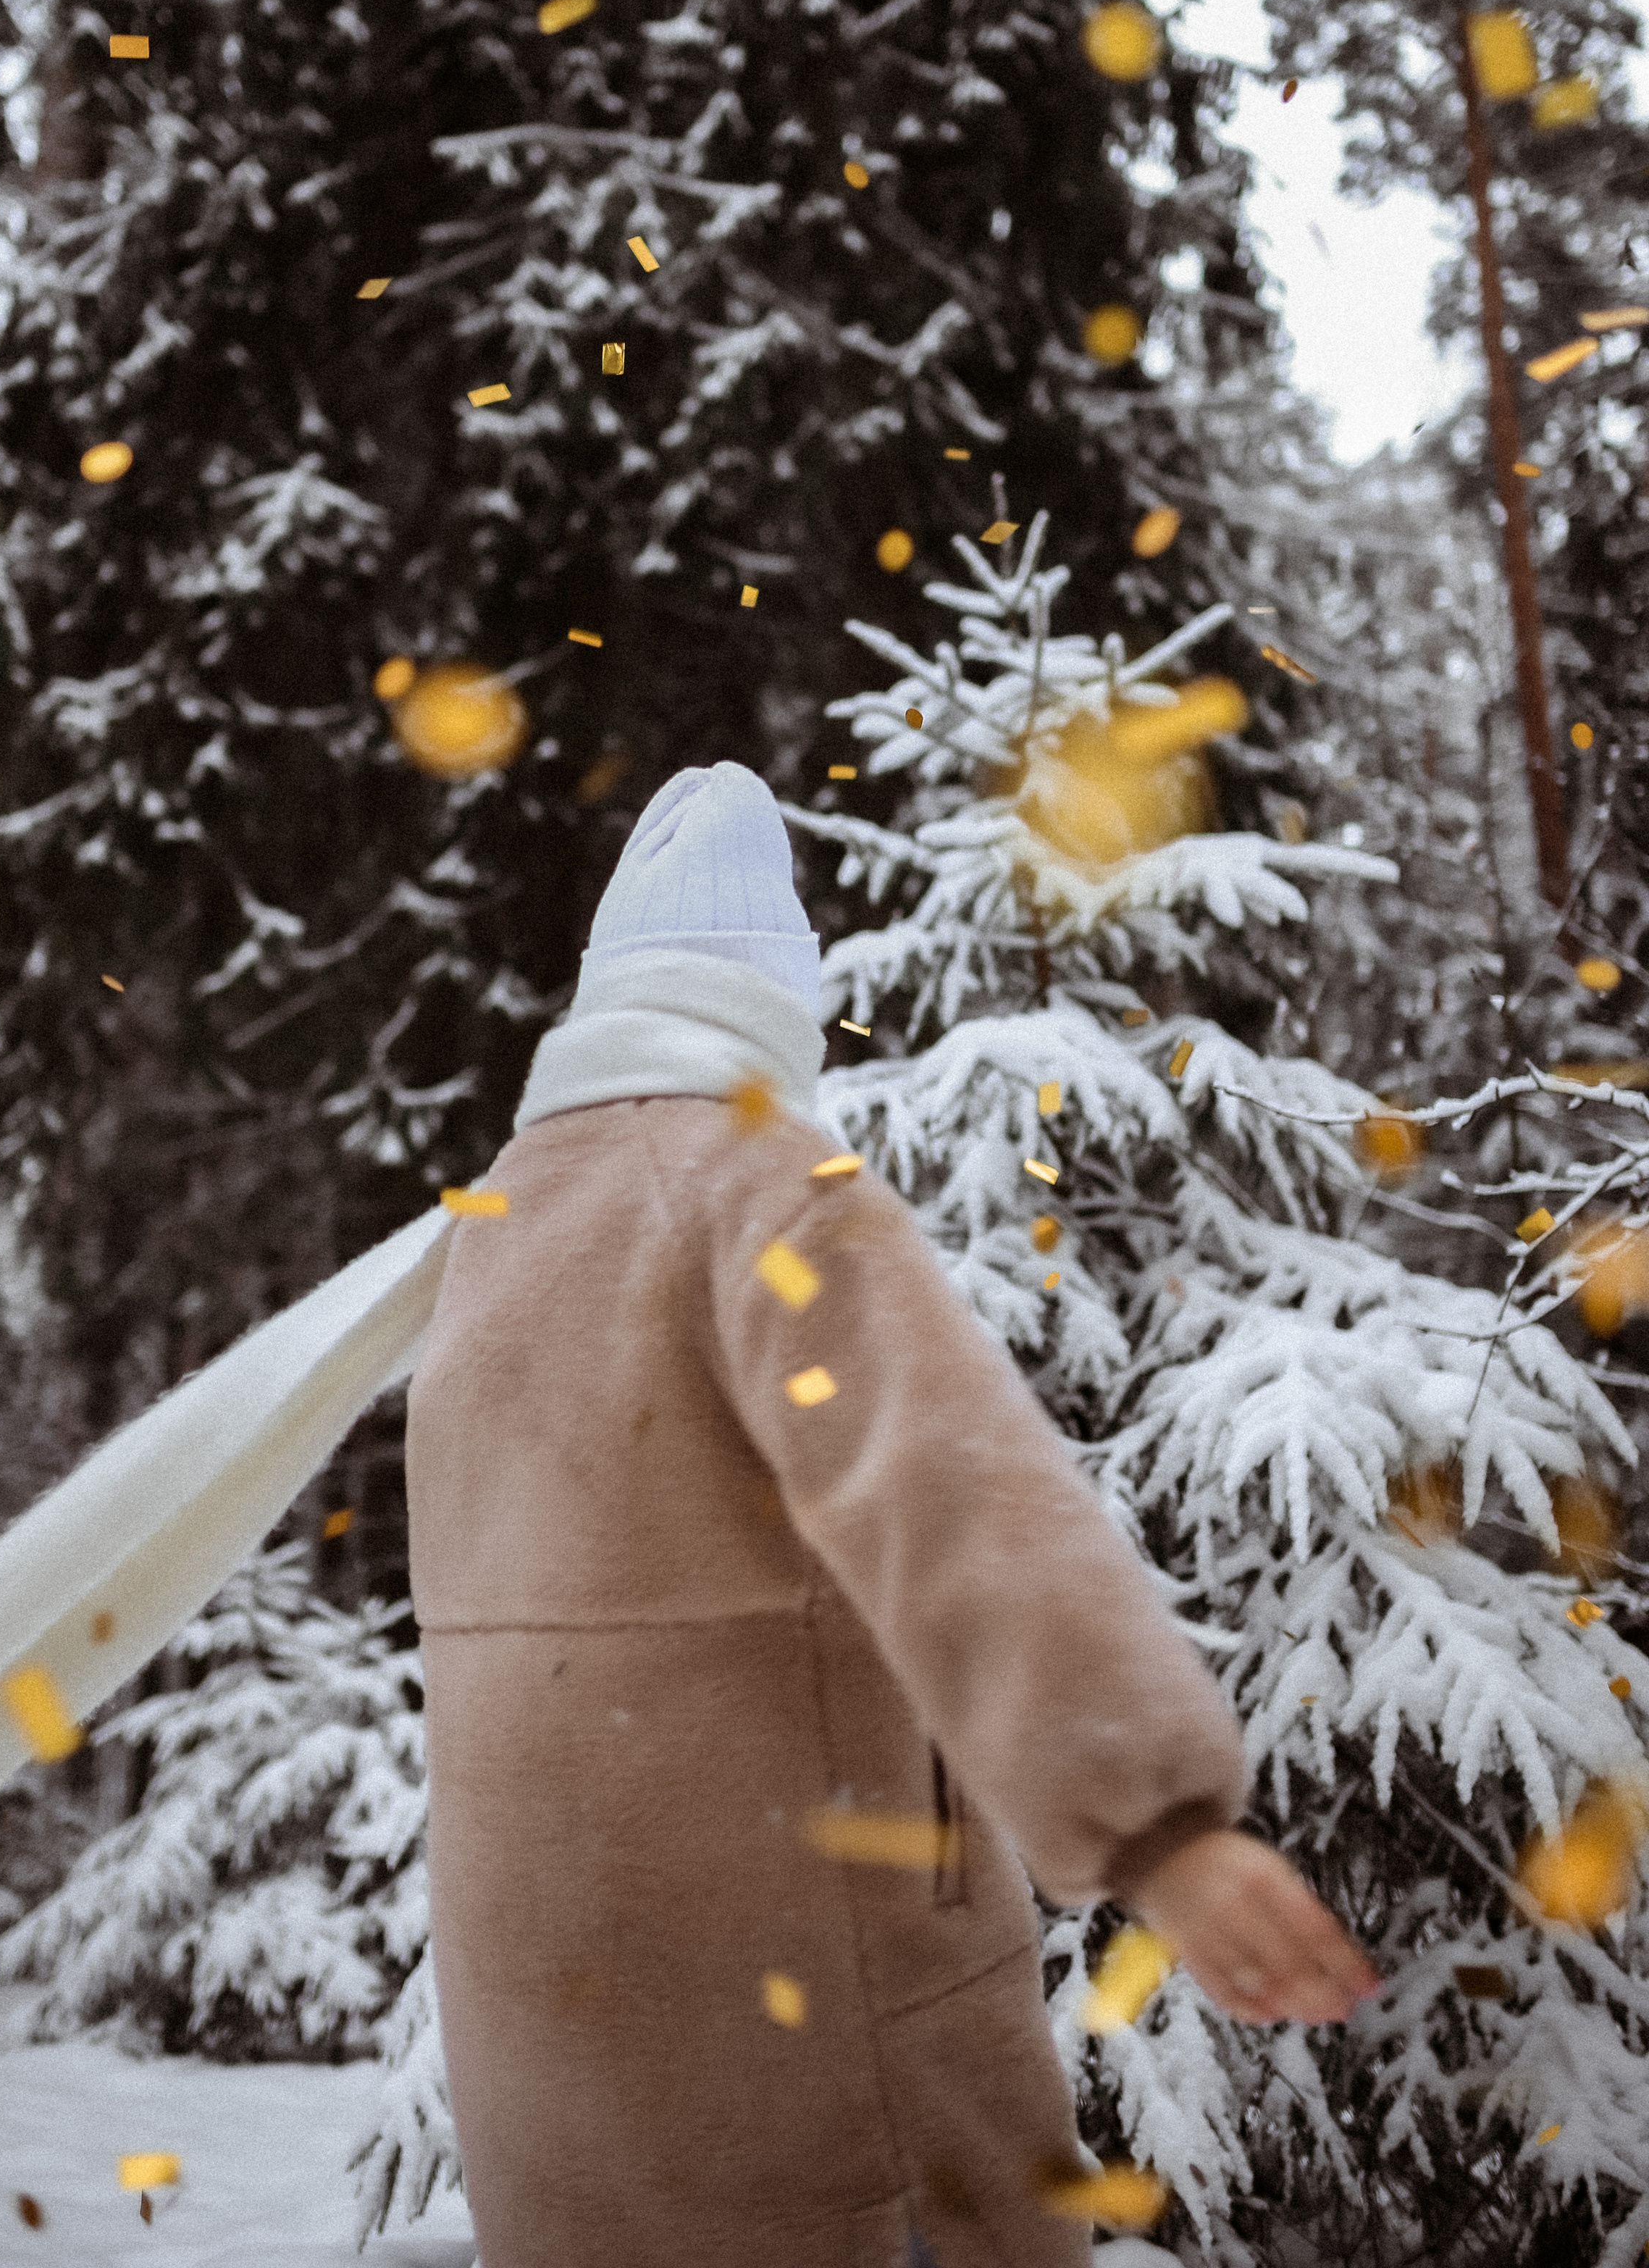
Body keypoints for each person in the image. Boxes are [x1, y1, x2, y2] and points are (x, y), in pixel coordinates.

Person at [403, 762, 1377, 2268]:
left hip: (557, 2062)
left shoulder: (491, 1233)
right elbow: (949, 1498)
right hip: (817, 2024)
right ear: (775, 1001)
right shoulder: (762, 1185)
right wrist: (1158, 1824)